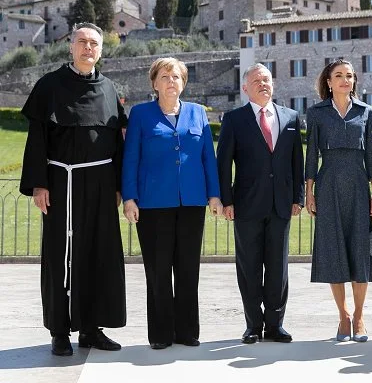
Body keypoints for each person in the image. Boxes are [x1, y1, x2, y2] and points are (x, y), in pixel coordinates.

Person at [19, 22, 127, 356]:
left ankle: (92, 328)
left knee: (98, 254)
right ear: (71, 46)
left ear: (101, 50)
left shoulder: (109, 89)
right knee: (60, 256)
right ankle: (60, 330)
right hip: (60, 182)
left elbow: (117, 143)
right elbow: (37, 139)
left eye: (94, 43)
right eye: (82, 42)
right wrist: (39, 184)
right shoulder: (49, 86)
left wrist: (120, 187)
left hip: (100, 184)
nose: (88, 48)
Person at [121, 57, 223, 350]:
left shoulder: (198, 113)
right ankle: (161, 334)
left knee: (188, 269)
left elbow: (207, 157)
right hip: (153, 204)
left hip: (191, 202)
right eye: (164, 76)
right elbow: (131, 159)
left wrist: (214, 195)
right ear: (154, 83)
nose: (170, 81)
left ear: (183, 83)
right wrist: (130, 197)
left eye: (176, 76)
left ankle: (187, 331)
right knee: (158, 270)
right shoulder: (140, 114)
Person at [217, 63, 304, 344]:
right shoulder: (233, 119)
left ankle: (275, 325)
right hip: (246, 205)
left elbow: (296, 162)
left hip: (281, 204)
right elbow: (223, 164)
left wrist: (298, 198)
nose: (263, 84)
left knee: (278, 268)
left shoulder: (291, 117)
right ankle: (253, 325)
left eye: (266, 79)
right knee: (249, 267)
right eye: (256, 80)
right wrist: (226, 200)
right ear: (245, 88)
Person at [305, 59, 372, 342]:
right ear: (329, 81)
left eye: (349, 76)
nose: (345, 80)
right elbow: (311, 155)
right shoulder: (317, 113)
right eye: (339, 75)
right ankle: (343, 316)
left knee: (360, 253)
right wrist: (309, 191)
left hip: (360, 186)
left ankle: (359, 317)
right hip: (328, 186)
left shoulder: (366, 112)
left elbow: (371, 154)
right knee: (334, 252)